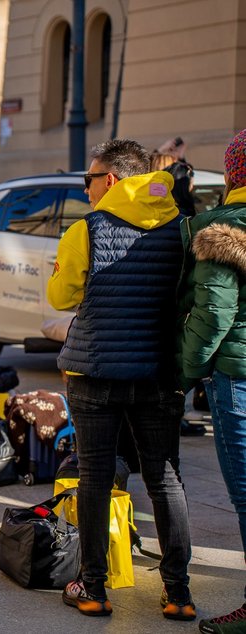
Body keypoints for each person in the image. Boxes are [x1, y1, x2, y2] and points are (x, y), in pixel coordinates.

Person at [48, 139, 195, 620]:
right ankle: (178, 594)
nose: (85, 189)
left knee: (94, 475)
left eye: (88, 179)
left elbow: (61, 296)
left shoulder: (86, 230)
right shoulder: (181, 228)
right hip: (159, 373)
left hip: (96, 371)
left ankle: (92, 588)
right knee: (165, 478)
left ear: (110, 179)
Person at [178, 129, 246, 634]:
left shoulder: (222, 230)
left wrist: (183, 374)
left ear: (231, 174)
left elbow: (213, 317)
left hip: (239, 380)